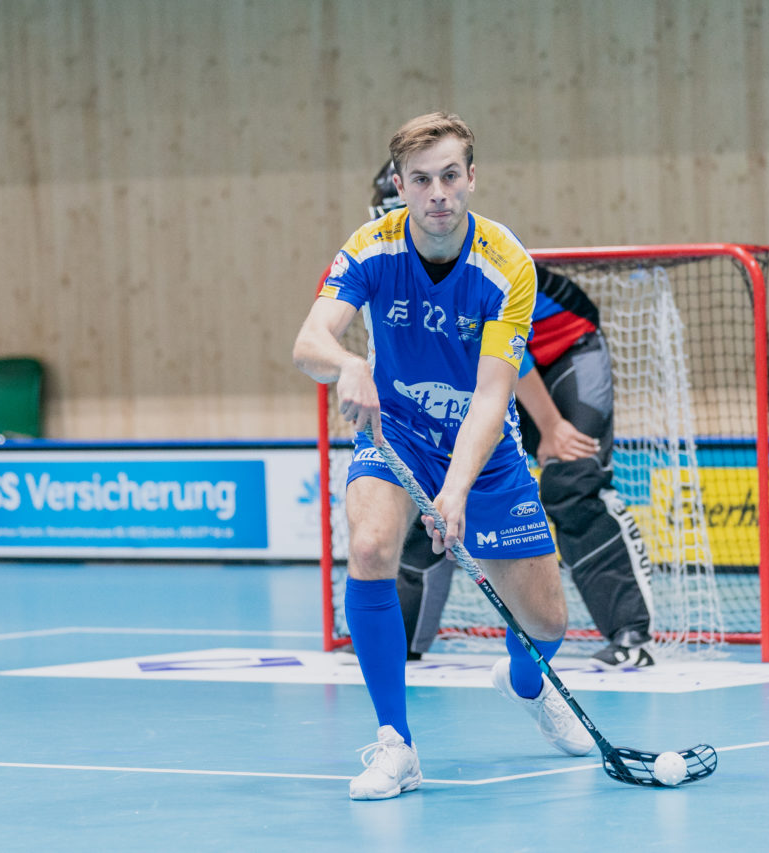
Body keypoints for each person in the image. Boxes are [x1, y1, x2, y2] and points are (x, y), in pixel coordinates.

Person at [293, 112, 592, 801]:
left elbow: (493, 396)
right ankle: (396, 743)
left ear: (472, 178)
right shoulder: (369, 249)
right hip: (396, 436)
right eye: (421, 179)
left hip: (482, 455)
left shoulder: (506, 264)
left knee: (548, 621)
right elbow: (309, 340)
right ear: (401, 184)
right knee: (369, 548)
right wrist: (346, 363)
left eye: (450, 176)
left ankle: (524, 682)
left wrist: (456, 490)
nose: (437, 194)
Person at [368, 162, 657, 671]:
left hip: (563, 351)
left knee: (571, 484)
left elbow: (511, 356)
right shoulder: (388, 255)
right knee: (433, 487)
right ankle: (406, 639)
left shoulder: (477, 255)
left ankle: (631, 634)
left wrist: (550, 428)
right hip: (489, 373)